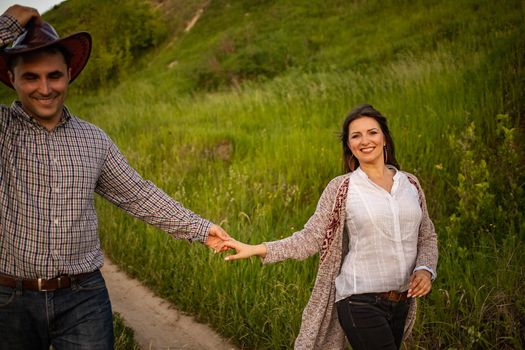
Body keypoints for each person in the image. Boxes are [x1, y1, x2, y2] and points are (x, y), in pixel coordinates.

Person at [0, 5, 230, 349]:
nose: (45, 88)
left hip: (82, 297)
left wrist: (201, 229)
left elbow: (138, 194)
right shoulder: (2, 130)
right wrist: (7, 25)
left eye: (54, 75)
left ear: (69, 74)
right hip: (9, 299)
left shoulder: (94, 139)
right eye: (31, 77)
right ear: (12, 79)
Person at [223, 104, 438, 349]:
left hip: (402, 301)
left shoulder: (410, 184)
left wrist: (425, 268)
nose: (365, 140)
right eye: (356, 136)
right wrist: (256, 248)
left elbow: (427, 236)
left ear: (385, 138)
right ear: (349, 146)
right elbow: (311, 237)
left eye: (372, 132)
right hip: (359, 299)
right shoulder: (343, 188)